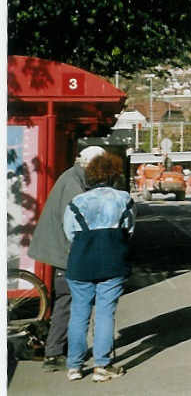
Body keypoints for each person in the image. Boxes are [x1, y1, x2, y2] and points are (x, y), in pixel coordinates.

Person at [28, 145, 106, 372]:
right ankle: (54, 354)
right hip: (64, 252)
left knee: (67, 300)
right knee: (66, 301)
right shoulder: (74, 183)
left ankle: (61, 349)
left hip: (59, 248)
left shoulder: (73, 176)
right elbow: (75, 221)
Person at [63, 152, 135, 383]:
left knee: (79, 313)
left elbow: (69, 233)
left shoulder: (76, 202)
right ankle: (101, 366)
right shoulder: (124, 199)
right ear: (114, 175)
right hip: (112, 261)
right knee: (105, 313)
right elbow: (130, 229)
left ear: (91, 175)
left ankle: (74, 366)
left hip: (81, 263)